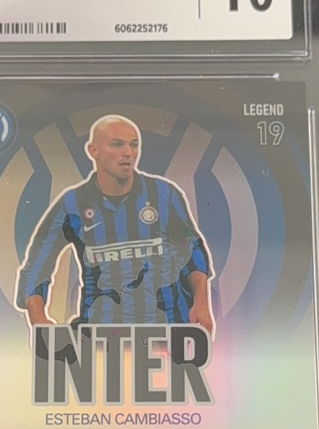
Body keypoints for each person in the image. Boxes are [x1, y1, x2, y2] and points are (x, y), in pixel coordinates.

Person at [15, 115, 215, 333]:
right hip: (101, 334)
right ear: (93, 151)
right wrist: (38, 318)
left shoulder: (164, 194)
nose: (128, 153)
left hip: (169, 328)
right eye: (117, 144)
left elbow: (193, 251)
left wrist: (201, 304)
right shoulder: (72, 204)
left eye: (133, 145)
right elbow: (36, 266)